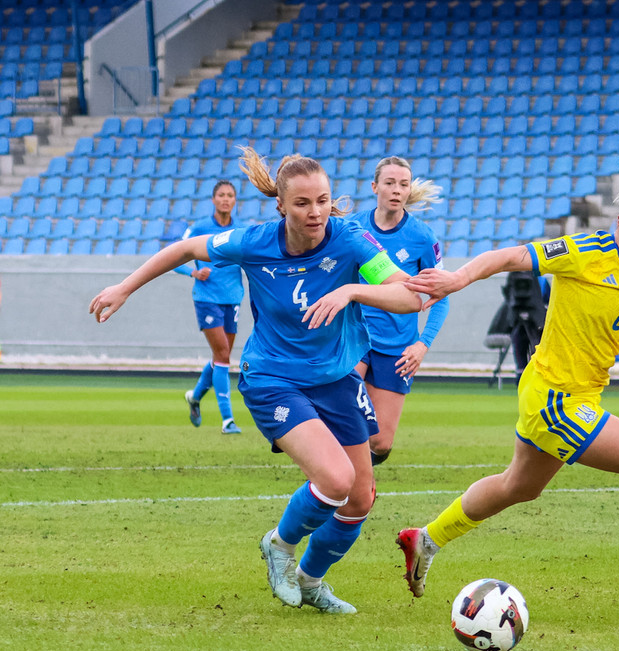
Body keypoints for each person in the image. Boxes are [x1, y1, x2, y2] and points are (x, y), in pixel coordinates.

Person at [397, 158, 619, 599]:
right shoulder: (583, 251)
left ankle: (426, 539)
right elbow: (510, 256)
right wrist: (457, 278)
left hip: (578, 396)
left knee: (518, 486)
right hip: (554, 398)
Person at [90, 147, 423, 614]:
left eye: (323, 200)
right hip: (273, 378)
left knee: (359, 498)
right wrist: (124, 287)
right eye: (302, 203)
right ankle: (279, 546)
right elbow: (185, 249)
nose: (315, 212)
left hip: (336, 378)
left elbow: (408, 296)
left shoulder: (350, 241)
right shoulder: (254, 242)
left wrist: (351, 289)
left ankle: (311, 582)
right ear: (281, 205)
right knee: (335, 479)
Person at [349, 157, 449, 466]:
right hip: (354, 337)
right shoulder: (353, 228)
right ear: (374, 187)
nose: (396, 190)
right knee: (343, 412)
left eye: (403, 184)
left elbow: (441, 298)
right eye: (389, 183)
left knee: (380, 442)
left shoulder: (422, 238)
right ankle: (333, 477)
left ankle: (355, 468)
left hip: (397, 346)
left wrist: (422, 345)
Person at [173, 180, 244, 434]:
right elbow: (174, 256)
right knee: (223, 355)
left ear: (235, 200)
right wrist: (193, 273)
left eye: (230, 195)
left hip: (233, 299)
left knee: (220, 357)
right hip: (207, 299)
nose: (225, 199)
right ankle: (228, 420)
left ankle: (194, 397)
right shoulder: (200, 228)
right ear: (213, 200)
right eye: (221, 195)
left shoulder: (241, 230)